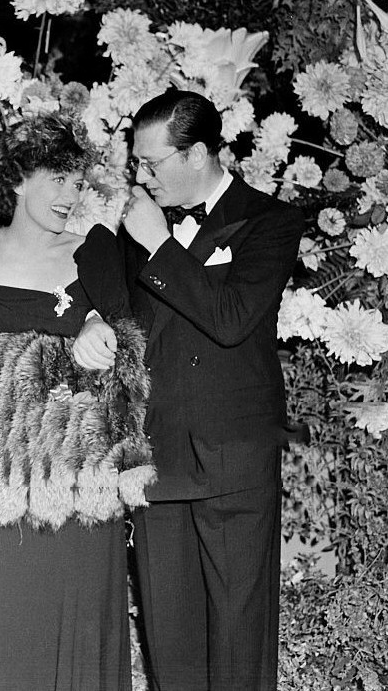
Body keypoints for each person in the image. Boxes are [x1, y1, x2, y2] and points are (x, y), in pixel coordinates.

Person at [73, 89, 305, 691]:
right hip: (159, 454)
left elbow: (230, 318)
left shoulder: (268, 221)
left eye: (151, 163)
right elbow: (100, 274)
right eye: (138, 163)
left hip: (233, 453)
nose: (141, 176)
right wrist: (95, 317)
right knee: (169, 639)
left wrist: (162, 247)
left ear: (198, 154)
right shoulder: (141, 223)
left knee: (238, 636)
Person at [0, 113, 141, 691]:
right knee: (10, 641)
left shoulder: (96, 249)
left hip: (80, 487)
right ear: (16, 178)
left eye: (78, 182)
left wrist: (98, 331)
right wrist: (62, 346)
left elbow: (132, 354)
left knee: (81, 641)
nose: (72, 195)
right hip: (4, 485)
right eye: (57, 178)